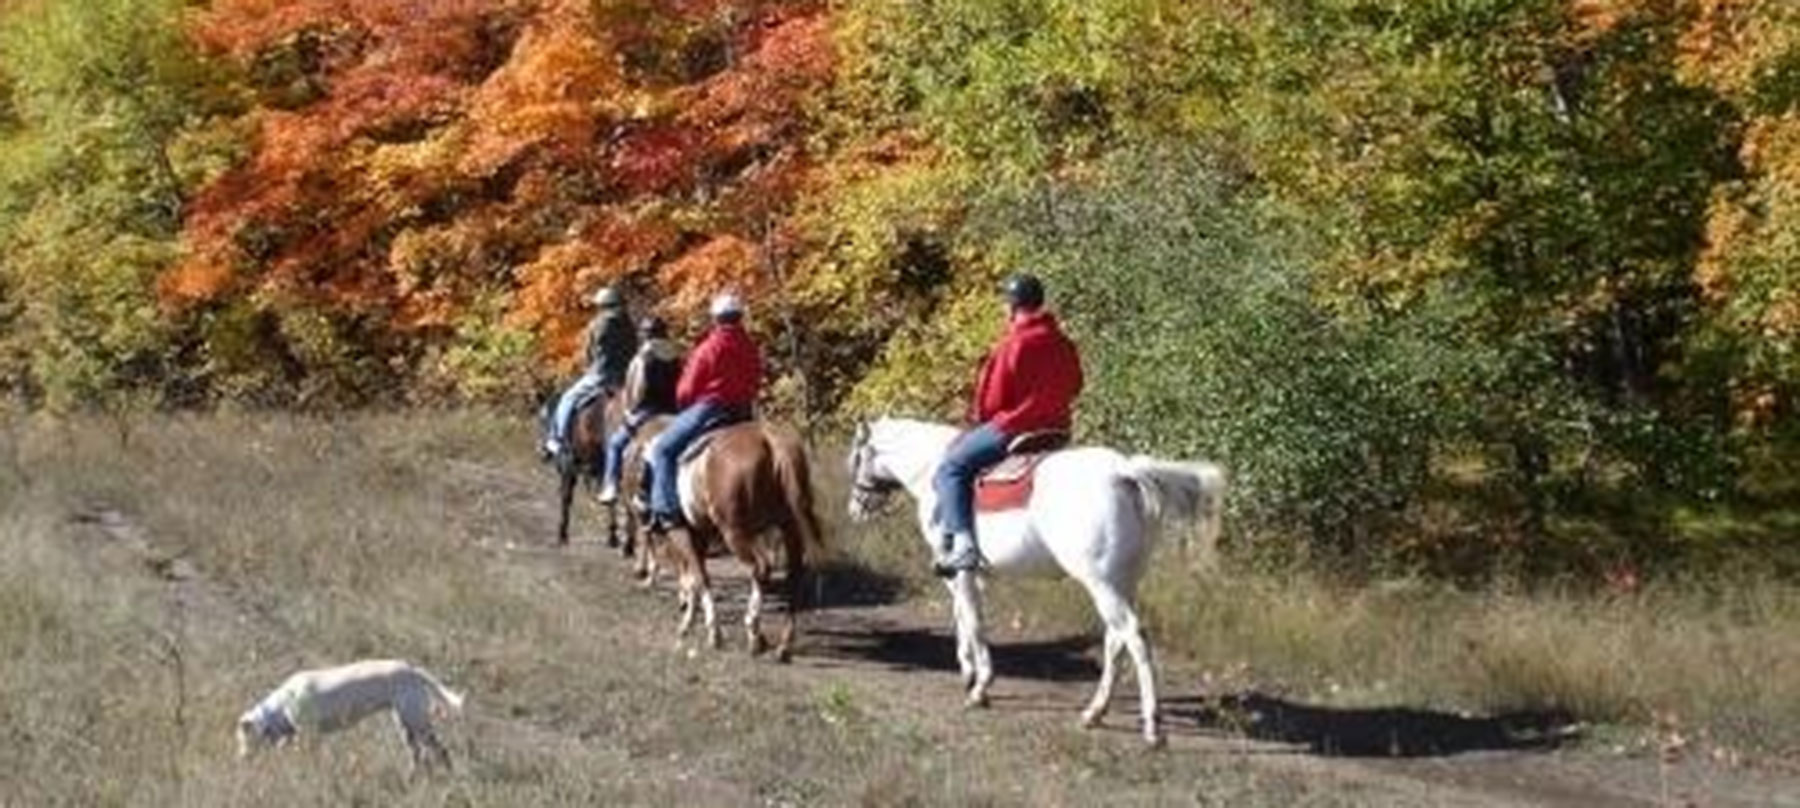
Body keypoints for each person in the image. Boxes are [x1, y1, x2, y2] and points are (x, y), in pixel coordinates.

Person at [932, 273, 1083, 576]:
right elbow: (1077, 384)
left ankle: (964, 546)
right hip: (1057, 429)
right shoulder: (1063, 342)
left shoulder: (1012, 344)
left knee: (951, 467)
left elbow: (992, 399)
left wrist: (986, 419)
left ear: (1011, 306)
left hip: (1015, 427)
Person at [645, 293, 762, 532]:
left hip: (710, 409)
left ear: (716, 319)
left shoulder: (708, 348)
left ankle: (666, 510)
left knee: (663, 449)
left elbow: (687, 389)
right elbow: (757, 378)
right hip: (744, 412)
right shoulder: (751, 347)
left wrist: (684, 404)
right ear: (740, 317)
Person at [543, 285, 639, 459]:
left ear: (602, 305)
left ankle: (556, 439)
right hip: (626, 378)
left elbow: (589, 352)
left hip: (601, 375)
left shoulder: (598, 323)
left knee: (568, 398)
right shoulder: (629, 324)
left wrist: (588, 368)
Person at [597, 315, 684, 505]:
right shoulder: (677, 355)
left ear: (645, 334)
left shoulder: (643, 356)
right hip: (673, 410)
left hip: (648, 410)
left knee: (615, 443)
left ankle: (610, 485)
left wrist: (630, 411)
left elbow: (637, 386)